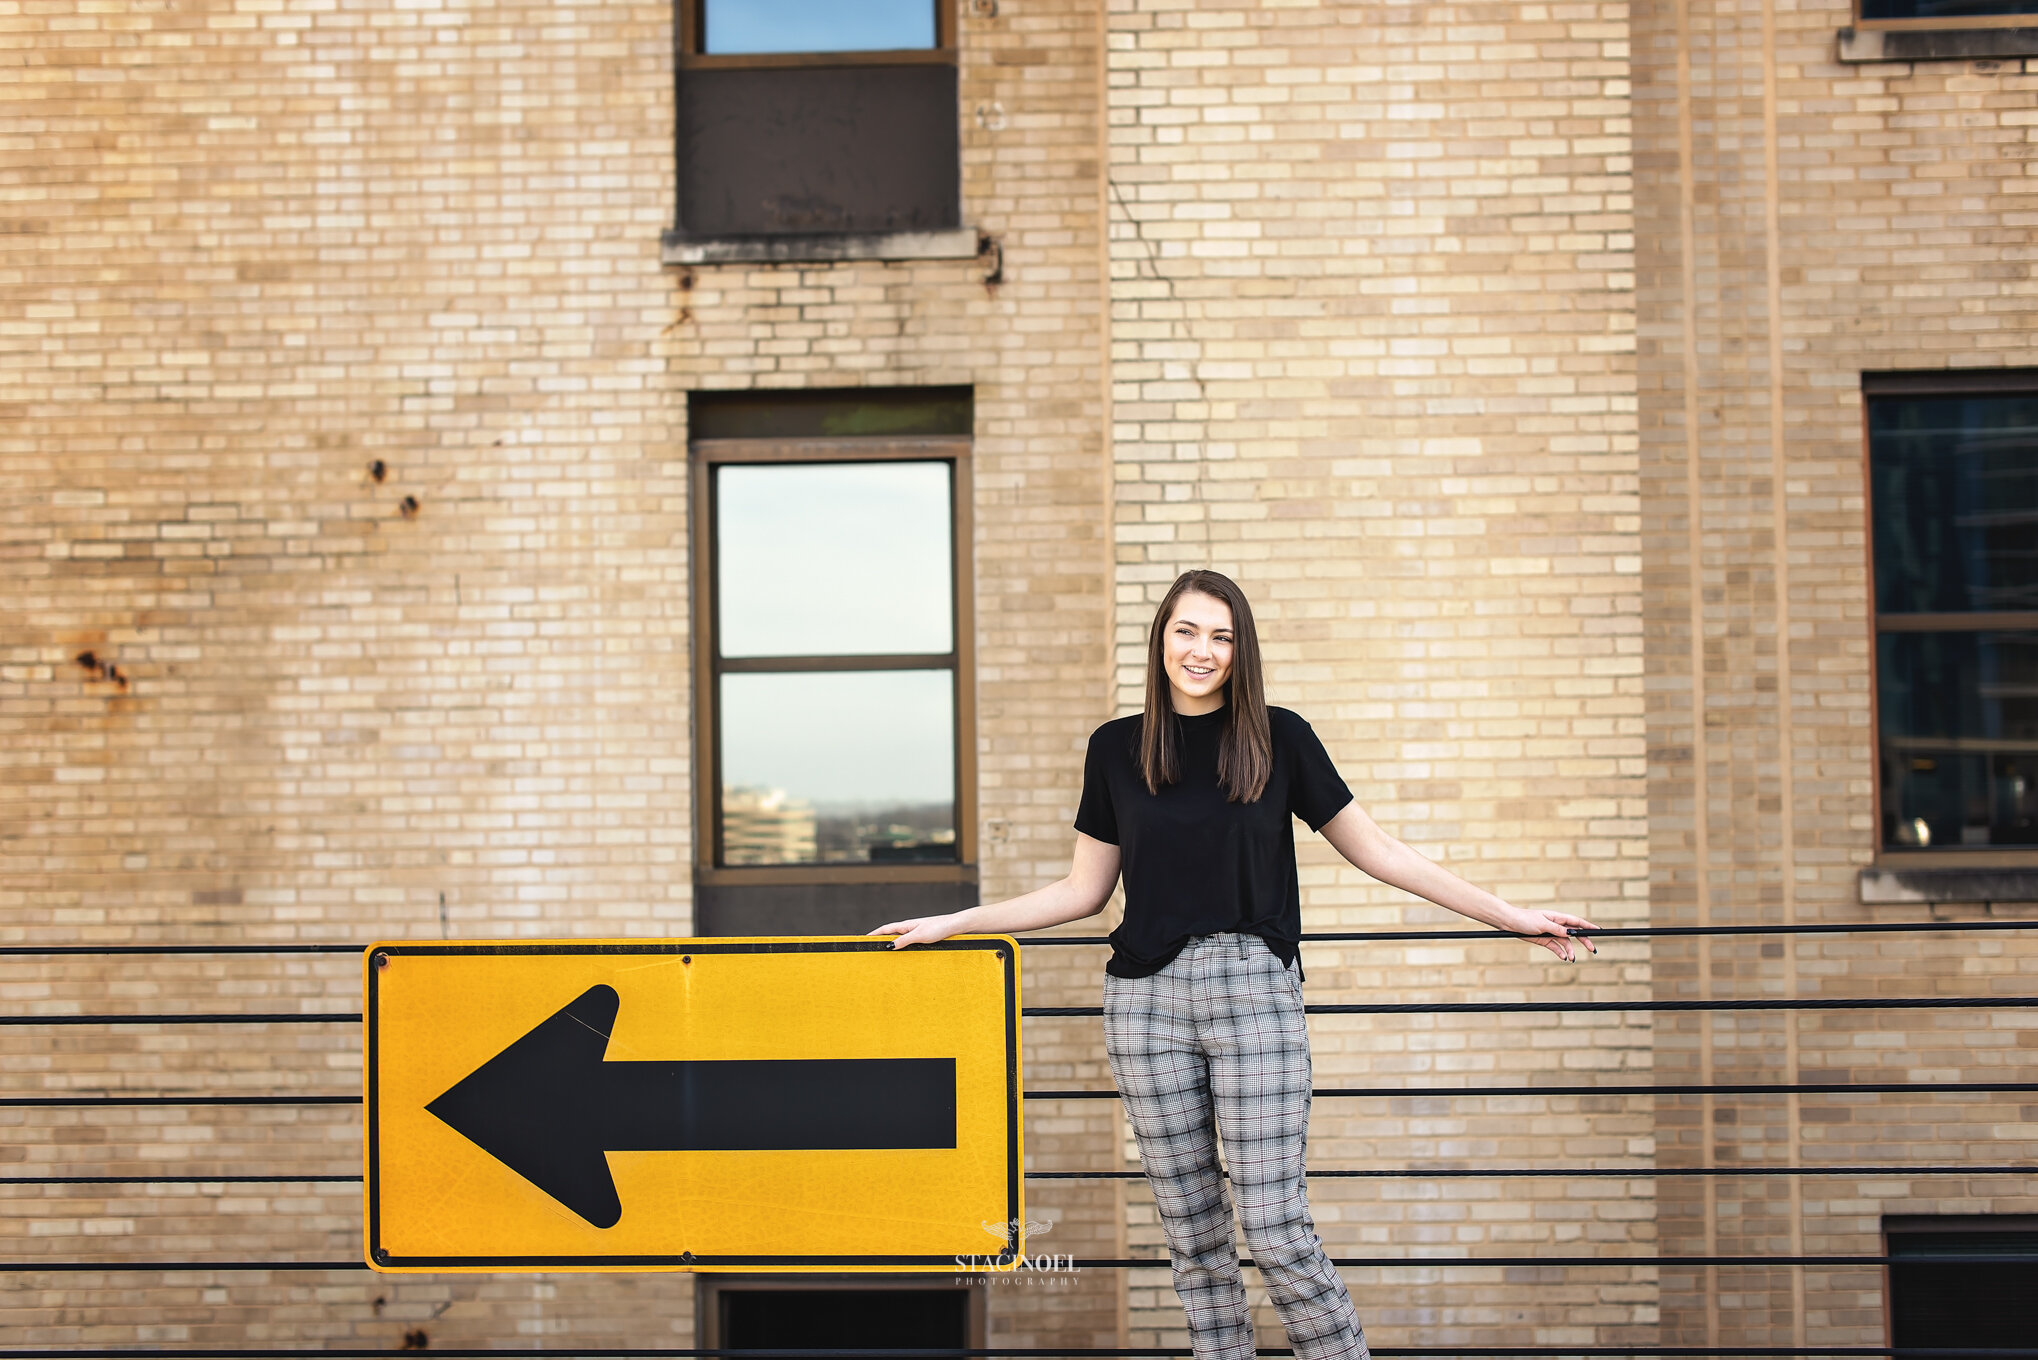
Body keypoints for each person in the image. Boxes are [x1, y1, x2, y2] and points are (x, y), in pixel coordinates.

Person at [870, 568, 1598, 1360]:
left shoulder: (1279, 736)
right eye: (1186, 631)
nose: (1202, 650)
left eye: (1221, 636)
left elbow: (1379, 852)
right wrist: (960, 922)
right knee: (1195, 1240)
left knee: (1277, 1228)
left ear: (1239, 649)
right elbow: (1085, 891)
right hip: (1144, 1007)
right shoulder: (1115, 748)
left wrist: (1510, 917)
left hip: (1254, 990)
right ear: (1161, 639)